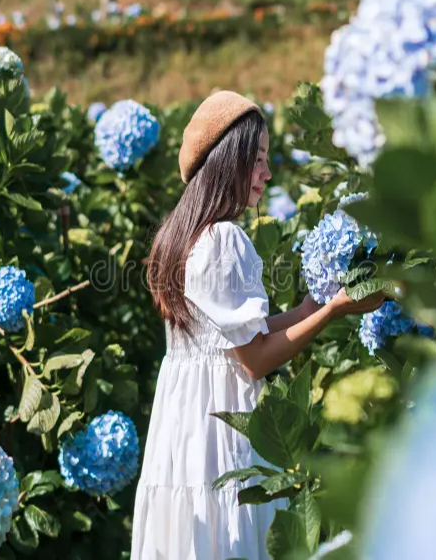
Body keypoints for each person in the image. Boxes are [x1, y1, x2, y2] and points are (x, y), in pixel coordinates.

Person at [131, 91, 384, 559]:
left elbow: (243, 335)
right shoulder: (225, 239)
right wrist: (334, 312)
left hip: (183, 431)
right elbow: (254, 359)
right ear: (231, 161)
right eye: (259, 160)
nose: (267, 173)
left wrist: (311, 305)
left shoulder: (183, 238)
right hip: (220, 433)